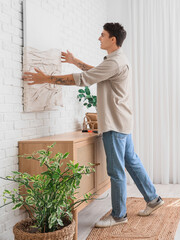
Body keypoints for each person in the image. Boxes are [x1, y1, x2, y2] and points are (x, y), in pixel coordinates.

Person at [23, 23, 164, 228]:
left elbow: (84, 79)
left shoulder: (115, 62)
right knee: (131, 162)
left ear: (112, 39)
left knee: (116, 172)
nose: (99, 38)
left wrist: (46, 79)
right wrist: (74, 61)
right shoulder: (116, 60)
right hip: (123, 122)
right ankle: (153, 199)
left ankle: (118, 215)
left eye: (102, 35)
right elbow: (97, 72)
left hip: (114, 124)